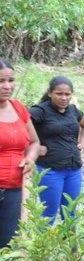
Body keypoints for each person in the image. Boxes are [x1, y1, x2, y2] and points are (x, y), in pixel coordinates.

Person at [28, 76, 84, 224]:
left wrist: (82, 142)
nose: (64, 98)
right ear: (50, 93)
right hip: (50, 170)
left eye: (67, 94)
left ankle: (71, 247)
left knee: (70, 212)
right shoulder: (40, 111)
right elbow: (19, 124)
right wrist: (33, 146)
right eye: (59, 94)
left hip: (74, 169)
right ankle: (44, 247)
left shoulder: (73, 110)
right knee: (48, 213)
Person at [0, 58, 41, 249]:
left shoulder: (18, 108)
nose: (7, 86)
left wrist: (30, 158)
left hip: (15, 189)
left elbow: (34, 142)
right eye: (1, 81)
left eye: (10, 80)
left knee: (10, 244)